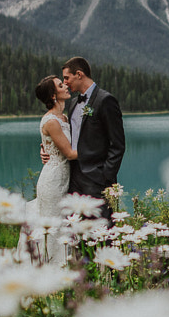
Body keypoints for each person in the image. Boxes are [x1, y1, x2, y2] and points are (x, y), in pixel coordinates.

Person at [43, 56, 125, 219]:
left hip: (97, 179)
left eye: (67, 78)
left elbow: (118, 144)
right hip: (73, 179)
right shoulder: (73, 104)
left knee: (101, 229)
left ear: (79, 74)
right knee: (77, 230)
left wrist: (105, 176)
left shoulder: (105, 100)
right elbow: (69, 137)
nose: (65, 83)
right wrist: (48, 150)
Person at [27, 75, 77, 262]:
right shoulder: (51, 122)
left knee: (62, 227)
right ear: (53, 95)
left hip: (63, 178)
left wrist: (45, 148)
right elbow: (70, 154)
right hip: (53, 182)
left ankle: (63, 269)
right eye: (61, 85)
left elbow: (53, 144)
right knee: (53, 229)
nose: (66, 86)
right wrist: (98, 150)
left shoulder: (63, 116)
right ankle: (48, 272)